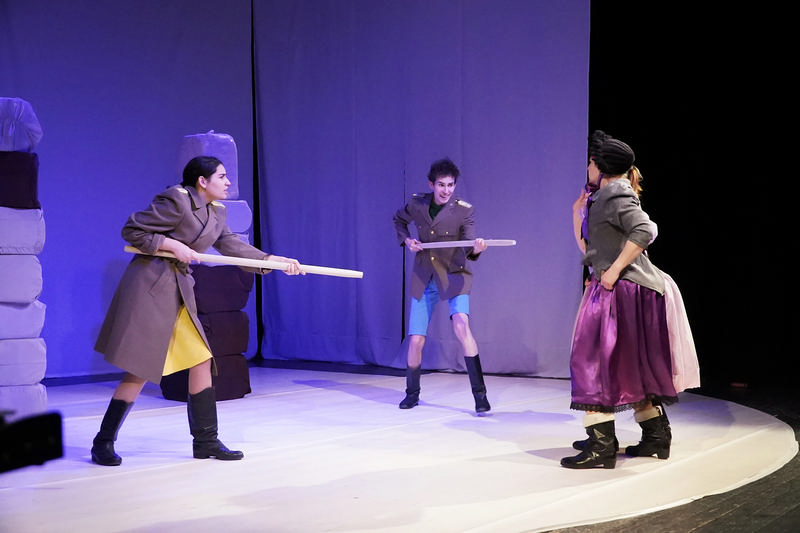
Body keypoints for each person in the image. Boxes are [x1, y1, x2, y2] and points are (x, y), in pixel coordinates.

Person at [91, 155, 303, 466]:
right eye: (221, 176)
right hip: (152, 287)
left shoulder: (217, 212)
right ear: (202, 181)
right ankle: (103, 442)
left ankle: (206, 441)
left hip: (180, 289)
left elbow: (231, 246)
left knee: (200, 359)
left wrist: (271, 260)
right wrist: (172, 245)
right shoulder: (176, 200)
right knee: (140, 368)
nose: (227, 182)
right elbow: (132, 230)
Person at [561, 131, 700, 469]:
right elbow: (593, 249)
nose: (588, 169)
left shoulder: (615, 194)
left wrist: (612, 271)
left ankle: (602, 445)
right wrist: (577, 215)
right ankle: (654, 437)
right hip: (619, 287)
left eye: (590, 164)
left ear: (600, 166)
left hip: (623, 289)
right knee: (629, 365)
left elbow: (646, 230)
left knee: (592, 361)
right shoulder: (603, 196)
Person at [392, 158, 491, 413]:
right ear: (431, 184)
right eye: (441, 185)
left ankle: (480, 396)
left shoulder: (464, 211)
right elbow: (398, 220)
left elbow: (469, 246)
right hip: (424, 277)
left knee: (461, 326)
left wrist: (477, 248)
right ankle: (412, 393)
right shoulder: (417, 204)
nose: (446, 190)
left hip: (454, 275)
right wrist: (408, 241)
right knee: (416, 340)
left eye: (450, 185)